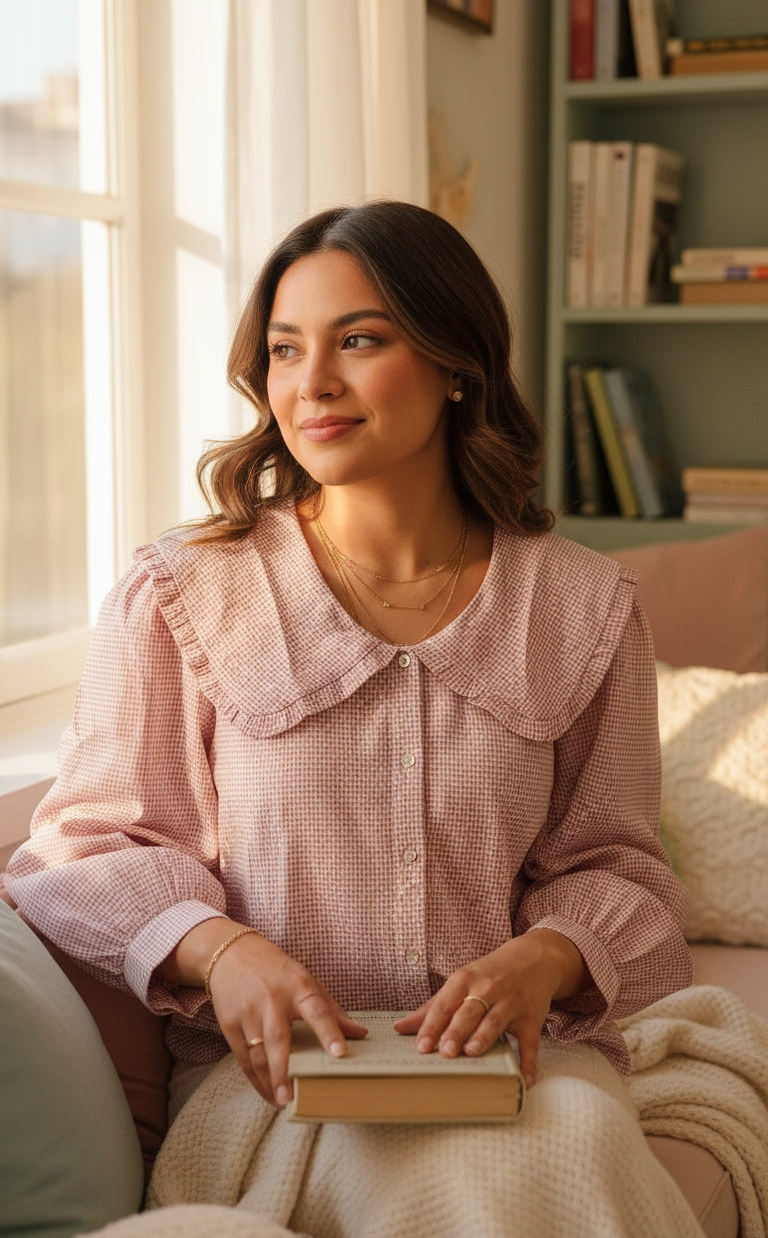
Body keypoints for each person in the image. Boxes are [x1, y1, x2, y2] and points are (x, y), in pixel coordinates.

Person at [5, 201, 702, 1237]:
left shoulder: (586, 608)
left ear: (454, 362)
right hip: (277, 1086)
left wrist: (546, 957)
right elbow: (82, 847)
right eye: (286, 350)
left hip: (518, 1077)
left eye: (359, 341)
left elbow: (623, 869)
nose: (311, 383)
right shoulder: (183, 594)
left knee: (567, 1156)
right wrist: (219, 949)